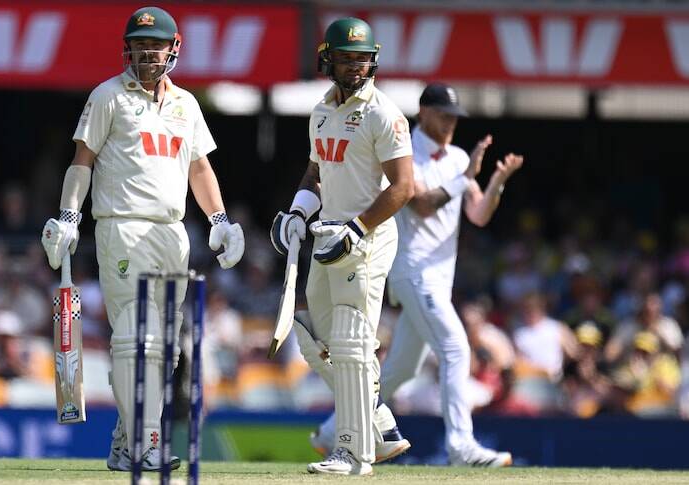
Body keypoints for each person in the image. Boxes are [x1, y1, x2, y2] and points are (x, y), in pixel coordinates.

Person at [40, 6, 244, 472]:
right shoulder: (108, 96)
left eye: (155, 46)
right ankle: (144, 444)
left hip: (172, 233)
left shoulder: (187, 104)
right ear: (127, 50)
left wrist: (219, 221)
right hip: (122, 226)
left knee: (166, 346)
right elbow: (82, 161)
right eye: (139, 46)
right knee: (138, 337)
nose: (147, 54)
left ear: (174, 49)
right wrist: (69, 216)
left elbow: (199, 168)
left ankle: (123, 439)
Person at [310, 83, 523, 467]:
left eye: (455, 117)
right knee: (455, 348)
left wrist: (496, 182)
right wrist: (465, 176)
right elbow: (421, 203)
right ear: (423, 112)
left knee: (400, 370)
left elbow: (478, 214)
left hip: (438, 278)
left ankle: (331, 431)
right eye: (443, 115)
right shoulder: (405, 147)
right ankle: (461, 446)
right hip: (412, 272)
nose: (450, 123)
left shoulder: (458, 158)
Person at [271, 18, 414, 475]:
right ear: (327, 60)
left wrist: (356, 228)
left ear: (373, 62)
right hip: (327, 234)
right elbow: (316, 173)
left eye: (362, 59)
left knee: (353, 344)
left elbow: (404, 187)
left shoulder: (383, 113)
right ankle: (380, 423)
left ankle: (353, 453)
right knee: (314, 339)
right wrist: (298, 212)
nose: (355, 66)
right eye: (346, 58)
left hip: (367, 237)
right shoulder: (320, 111)